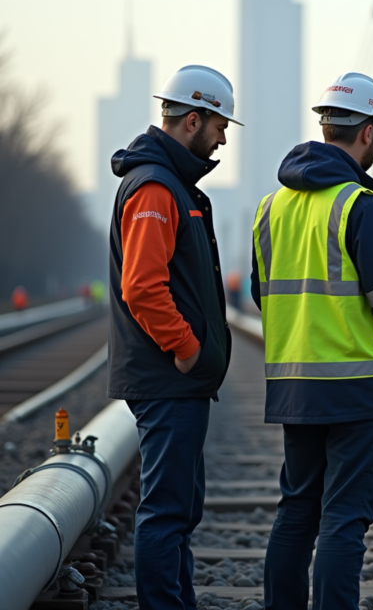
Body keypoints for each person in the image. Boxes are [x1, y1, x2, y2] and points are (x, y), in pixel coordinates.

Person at [251, 72, 373, 610]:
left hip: (295, 388)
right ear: (366, 132)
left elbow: (264, 292)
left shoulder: (271, 210)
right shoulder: (360, 206)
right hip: (357, 390)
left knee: (295, 513)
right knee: (343, 521)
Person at [107, 65, 241, 610]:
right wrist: (187, 350)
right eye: (218, 125)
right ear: (193, 119)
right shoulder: (156, 188)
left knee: (180, 508)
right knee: (166, 512)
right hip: (167, 379)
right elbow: (142, 287)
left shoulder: (169, 183)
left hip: (174, 381)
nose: (223, 137)